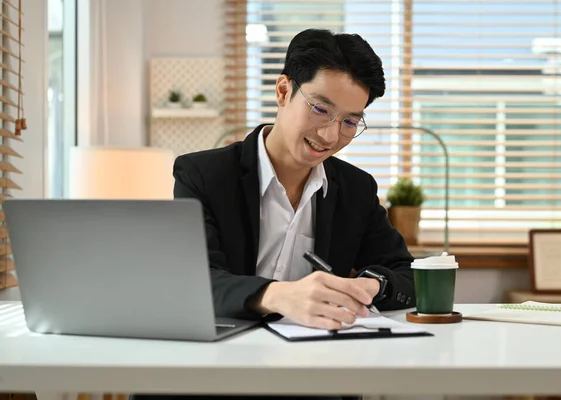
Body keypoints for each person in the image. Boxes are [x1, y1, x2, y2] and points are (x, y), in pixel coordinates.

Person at [134, 28, 415, 400]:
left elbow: (406, 274)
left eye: (350, 121)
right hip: (212, 374)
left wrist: (371, 284)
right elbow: (195, 281)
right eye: (320, 109)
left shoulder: (355, 189)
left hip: (311, 375)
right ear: (283, 91)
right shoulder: (202, 175)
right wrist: (278, 296)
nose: (330, 136)